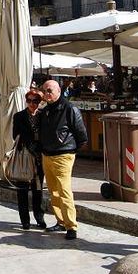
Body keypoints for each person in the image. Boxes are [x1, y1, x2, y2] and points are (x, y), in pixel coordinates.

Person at [38, 80, 87, 240]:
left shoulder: (69, 108)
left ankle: (71, 226)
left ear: (59, 91)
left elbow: (81, 135)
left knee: (64, 190)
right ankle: (60, 221)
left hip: (63, 155)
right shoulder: (45, 110)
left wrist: (70, 150)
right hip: (47, 155)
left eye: (50, 90)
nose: (47, 94)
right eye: (44, 91)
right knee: (53, 191)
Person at [13, 90, 46, 230]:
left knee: (38, 189)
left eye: (35, 101)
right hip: (24, 155)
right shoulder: (19, 116)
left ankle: (39, 217)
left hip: (39, 156)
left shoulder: (43, 115)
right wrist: (29, 144)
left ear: (40, 102)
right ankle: (24, 220)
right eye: (29, 100)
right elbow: (15, 135)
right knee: (22, 189)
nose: (32, 104)